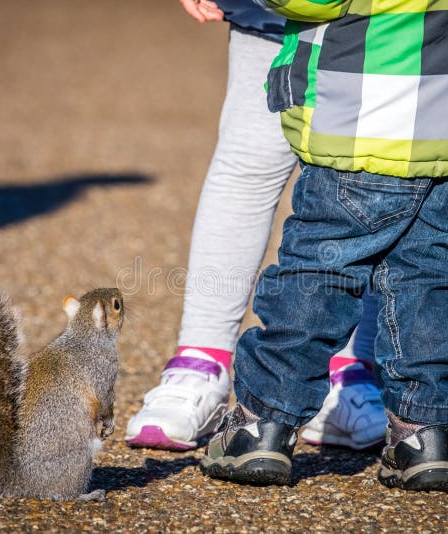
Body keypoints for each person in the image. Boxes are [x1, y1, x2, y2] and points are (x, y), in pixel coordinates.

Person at [199, 0, 448, 492]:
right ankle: (426, 435)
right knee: (429, 276)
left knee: (318, 272)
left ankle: (262, 426)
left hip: (363, 116)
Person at [124, 0, 387, 452]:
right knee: (247, 165)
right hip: (273, 11)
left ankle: (347, 371)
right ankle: (202, 364)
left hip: (390, 24)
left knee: (376, 180)